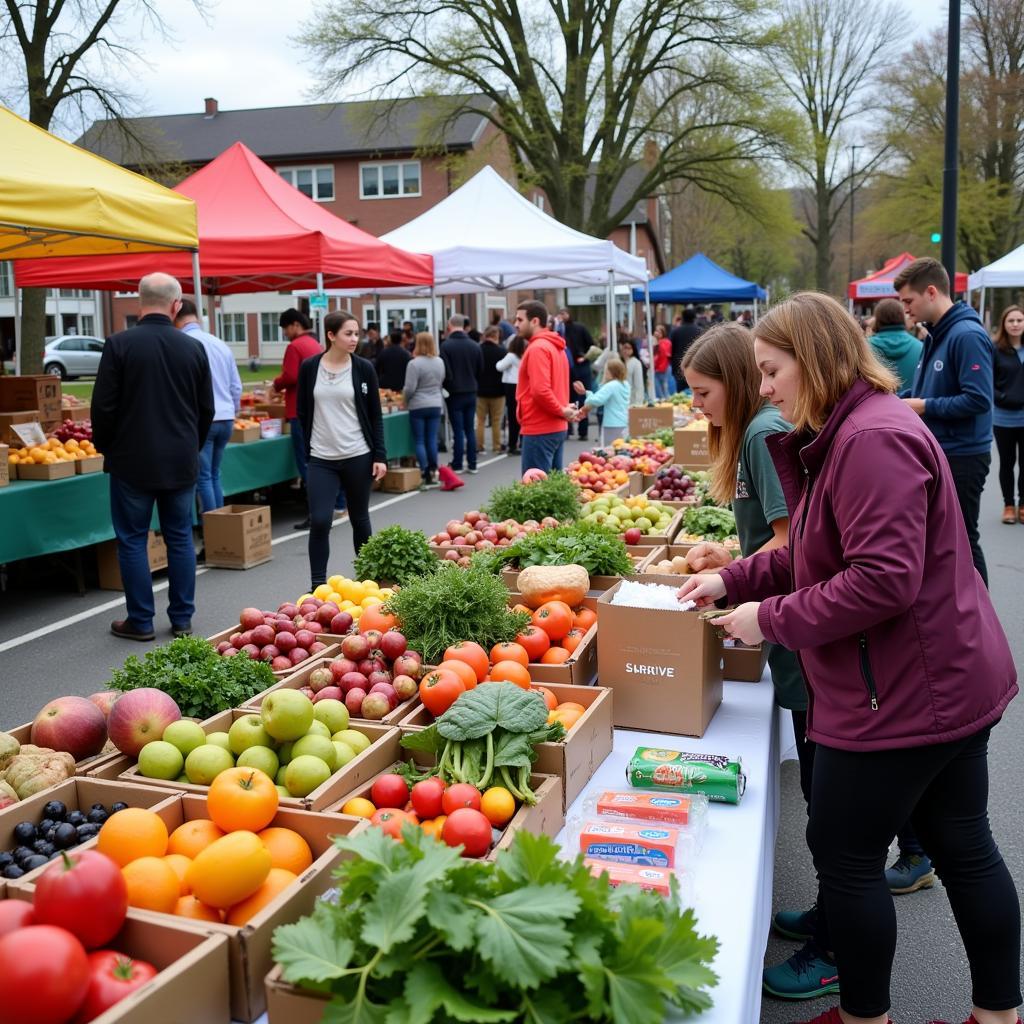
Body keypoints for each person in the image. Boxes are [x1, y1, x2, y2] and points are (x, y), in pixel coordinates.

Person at [678, 291, 1020, 1024]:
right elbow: (815, 550)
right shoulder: (853, 429)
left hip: (902, 690)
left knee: (849, 855)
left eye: (773, 370)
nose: (763, 387)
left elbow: (880, 581)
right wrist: (730, 578)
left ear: (817, 359)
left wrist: (764, 619)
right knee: (963, 845)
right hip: (935, 679)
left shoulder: (870, 439)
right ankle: (999, 1014)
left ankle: (866, 1015)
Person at [681, 324, 831, 999]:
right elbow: (771, 545)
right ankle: (832, 919)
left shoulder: (763, 431)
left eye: (702, 392)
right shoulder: (752, 432)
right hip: (796, 634)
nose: (696, 407)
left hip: (805, 637)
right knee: (827, 791)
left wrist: (745, 589)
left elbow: (788, 545)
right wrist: (731, 566)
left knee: (831, 802)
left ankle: (834, 943)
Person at [92, 273, 213, 641]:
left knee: (132, 539)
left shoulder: (119, 344)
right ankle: (181, 619)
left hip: (131, 460)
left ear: (140, 301)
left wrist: (107, 447)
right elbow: (205, 409)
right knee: (179, 537)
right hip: (179, 459)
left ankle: (140, 620)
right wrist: (190, 445)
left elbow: (103, 408)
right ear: (176, 304)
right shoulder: (192, 348)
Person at [896, 257, 994, 586]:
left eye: (909, 301)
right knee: (946, 542)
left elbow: (979, 399)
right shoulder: (935, 336)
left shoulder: (966, 335)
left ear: (932, 292)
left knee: (964, 540)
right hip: (944, 451)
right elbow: (925, 391)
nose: (905, 310)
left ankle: (982, 619)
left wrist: (923, 405)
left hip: (963, 455)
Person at [296, 310, 387, 588]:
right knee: (321, 521)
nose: (354, 339)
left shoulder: (363, 368)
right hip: (322, 459)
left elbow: (375, 415)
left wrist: (379, 455)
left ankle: (368, 581)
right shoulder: (310, 368)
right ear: (331, 335)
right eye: (348, 333)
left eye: (356, 333)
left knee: (360, 519)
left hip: (358, 455)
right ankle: (317, 585)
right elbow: (302, 412)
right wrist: (310, 449)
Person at [173, 299, 242, 514]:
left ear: (176, 315)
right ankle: (221, 524)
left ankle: (213, 530)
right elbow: (235, 386)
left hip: (203, 420)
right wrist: (234, 410)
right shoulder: (219, 343)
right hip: (226, 417)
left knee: (203, 477)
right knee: (213, 474)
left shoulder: (181, 343)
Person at [273, 309, 332, 530]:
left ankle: (314, 511)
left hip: (298, 410)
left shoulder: (295, 346)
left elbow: (290, 376)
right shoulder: (315, 344)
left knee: (306, 463)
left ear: (295, 325)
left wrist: (276, 384)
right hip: (316, 408)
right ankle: (327, 507)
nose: (285, 333)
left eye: (285, 328)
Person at [515, 300, 574, 474]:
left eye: (520, 320)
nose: (515, 324)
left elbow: (540, 390)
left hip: (540, 427)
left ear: (534, 321)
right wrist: (562, 409)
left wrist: (561, 410)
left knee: (536, 493)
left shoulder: (538, 348)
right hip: (555, 426)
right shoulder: (556, 347)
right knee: (553, 490)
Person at [992, 306, 1024, 524]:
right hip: (1003, 418)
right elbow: (987, 380)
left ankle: (1023, 504)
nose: (1015, 324)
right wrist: (1002, 397)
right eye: (1011, 320)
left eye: (1019, 320)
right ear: (1004, 324)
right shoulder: (995, 349)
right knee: (1007, 462)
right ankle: (1008, 505)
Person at [440, 315, 483, 474]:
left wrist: (448, 387)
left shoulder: (446, 346)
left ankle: (457, 463)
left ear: (450, 325)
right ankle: (472, 463)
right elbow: (480, 369)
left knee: (457, 430)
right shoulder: (474, 345)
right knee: (469, 429)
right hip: (471, 390)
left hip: (454, 392)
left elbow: (446, 371)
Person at [403, 330, 446, 489]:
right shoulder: (439, 362)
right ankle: (434, 469)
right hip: (435, 403)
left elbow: (409, 388)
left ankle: (424, 470)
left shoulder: (414, 364)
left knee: (420, 440)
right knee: (431, 438)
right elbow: (441, 381)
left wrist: (405, 401)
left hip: (418, 404)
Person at [867, 298, 922, 391]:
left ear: (877, 318)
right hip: (912, 404)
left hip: (874, 405)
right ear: (902, 317)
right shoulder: (921, 347)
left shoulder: (864, 348)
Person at [574, 357, 631, 444]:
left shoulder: (611, 385)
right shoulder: (625, 384)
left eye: (606, 370)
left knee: (609, 451)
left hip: (611, 423)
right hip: (624, 422)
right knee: (621, 450)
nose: (604, 372)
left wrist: (587, 394)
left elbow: (595, 401)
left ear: (611, 371)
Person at [559, 309, 595, 440]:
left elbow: (592, 346)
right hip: (568, 368)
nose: (562, 316)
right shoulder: (559, 331)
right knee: (568, 398)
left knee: (582, 397)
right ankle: (568, 429)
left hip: (580, 366)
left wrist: (585, 357)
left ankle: (582, 430)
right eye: (561, 314)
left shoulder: (579, 328)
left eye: (564, 313)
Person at [476, 325, 507, 453]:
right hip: (498, 391)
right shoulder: (502, 351)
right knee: (496, 421)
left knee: (480, 421)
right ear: (496, 336)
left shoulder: (478, 350)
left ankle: (480, 445)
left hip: (480, 390)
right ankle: (496, 446)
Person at [496, 334, 524, 455]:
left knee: (512, 416)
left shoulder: (511, 356)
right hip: (521, 385)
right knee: (521, 415)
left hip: (510, 386)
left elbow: (499, 367)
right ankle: (522, 441)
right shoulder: (524, 356)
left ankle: (512, 444)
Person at [670, 308, 702, 392]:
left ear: (683, 318)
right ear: (694, 318)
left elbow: (671, 349)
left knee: (680, 393)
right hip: (696, 365)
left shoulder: (676, 331)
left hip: (679, 366)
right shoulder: (700, 331)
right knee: (696, 391)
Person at [617, 337, 648, 406]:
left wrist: (638, 402)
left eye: (629, 348)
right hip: (620, 398)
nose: (626, 350)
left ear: (633, 350)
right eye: (624, 348)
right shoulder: (618, 362)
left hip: (632, 399)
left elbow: (639, 384)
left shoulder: (636, 363)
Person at [652, 324, 674, 398]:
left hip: (663, 368)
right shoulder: (654, 341)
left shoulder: (666, 342)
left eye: (659, 331)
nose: (656, 333)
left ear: (663, 333)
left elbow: (664, 354)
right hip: (655, 368)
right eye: (656, 331)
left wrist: (657, 343)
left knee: (664, 387)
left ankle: (665, 402)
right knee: (657, 387)